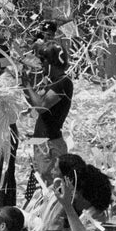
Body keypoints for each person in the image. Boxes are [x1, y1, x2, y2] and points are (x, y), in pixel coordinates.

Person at [23, 43, 73, 188]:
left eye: (43, 61)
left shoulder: (63, 82)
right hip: (41, 140)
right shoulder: (52, 82)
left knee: (50, 185)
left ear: (51, 62)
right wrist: (25, 84)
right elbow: (34, 102)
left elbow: (41, 107)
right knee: (40, 181)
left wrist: (27, 85)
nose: (41, 66)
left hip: (49, 143)